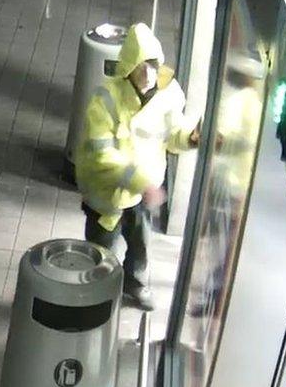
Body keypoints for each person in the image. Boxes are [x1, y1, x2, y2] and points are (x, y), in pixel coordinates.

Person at [75, 23, 200, 308]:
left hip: (144, 193)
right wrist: (141, 183)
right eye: (141, 66)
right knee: (101, 248)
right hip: (107, 196)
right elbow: (101, 156)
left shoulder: (170, 94)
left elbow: (174, 136)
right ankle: (97, 294)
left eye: (152, 65)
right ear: (128, 68)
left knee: (141, 244)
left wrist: (191, 138)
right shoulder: (105, 99)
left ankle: (136, 284)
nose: (148, 73)